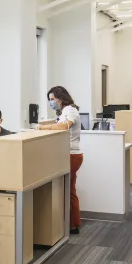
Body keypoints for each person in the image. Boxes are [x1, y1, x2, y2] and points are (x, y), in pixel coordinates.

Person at [35, 86, 83, 235]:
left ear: (60, 98)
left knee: (67, 190)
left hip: (71, 154)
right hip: (68, 154)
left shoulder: (70, 109)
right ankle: (72, 224)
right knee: (70, 190)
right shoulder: (64, 111)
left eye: (52, 99)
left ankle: (71, 224)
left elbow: (64, 126)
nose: (51, 102)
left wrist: (45, 128)